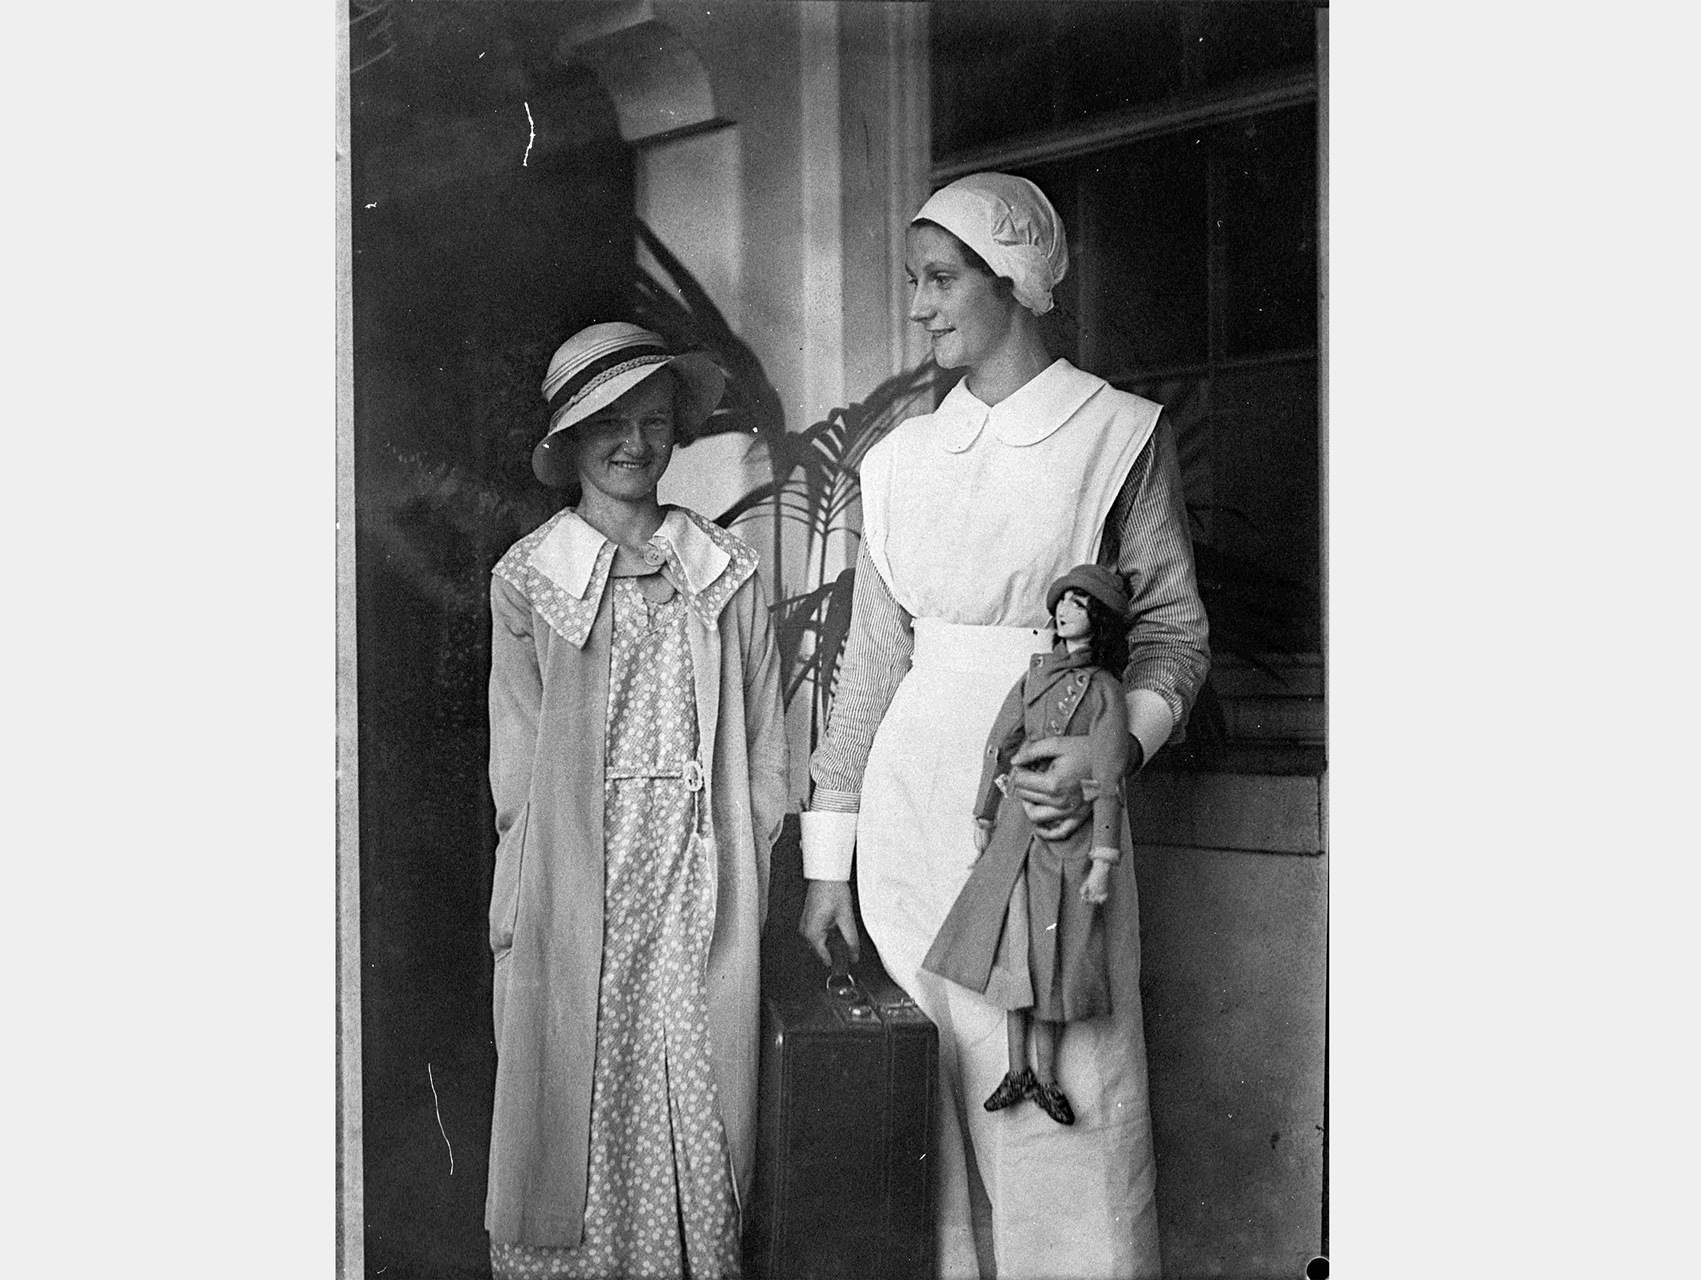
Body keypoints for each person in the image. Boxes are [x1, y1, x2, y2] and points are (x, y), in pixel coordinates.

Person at [798, 173, 1210, 1279]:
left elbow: (1173, 632)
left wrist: (1112, 744)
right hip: (907, 815)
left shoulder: (1114, 434)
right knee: (927, 1129)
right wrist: (829, 861)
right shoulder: (895, 465)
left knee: (1060, 1109)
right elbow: (873, 662)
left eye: (941, 281)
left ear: (1015, 281)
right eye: (913, 283)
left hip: (1049, 813)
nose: (920, 307)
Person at [483, 321, 789, 1280]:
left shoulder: (724, 569)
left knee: (695, 1085)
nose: (633, 443)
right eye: (607, 423)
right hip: (582, 875)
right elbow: (518, 769)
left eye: (653, 421)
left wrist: (750, 863)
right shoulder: (530, 580)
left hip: (701, 870)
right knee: (581, 1080)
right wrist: (522, 900)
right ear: (569, 442)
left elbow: (766, 745)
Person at [923, 566, 1136, 1129]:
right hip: (1017, 830)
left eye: (1080, 604)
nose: (1066, 611)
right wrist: (982, 814)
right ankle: (1017, 1070)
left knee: (1056, 956)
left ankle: (1046, 1076)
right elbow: (1000, 744)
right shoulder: (1033, 675)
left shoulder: (1107, 691)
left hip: (1068, 837)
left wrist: (1103, 862)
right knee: (1013, 951)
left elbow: (1110, 776)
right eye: (1062, 601)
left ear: (1101, 620)